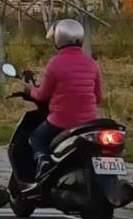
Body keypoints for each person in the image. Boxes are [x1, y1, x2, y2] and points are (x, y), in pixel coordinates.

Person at [24, 18, 103, 175]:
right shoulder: (91, 63)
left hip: (61, 122)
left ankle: (43, 162)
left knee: (36, 137)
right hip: (88, 123)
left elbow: (42, 95)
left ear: (58, 38)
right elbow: (99, 97)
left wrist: (30, 90)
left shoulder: (55, 63)